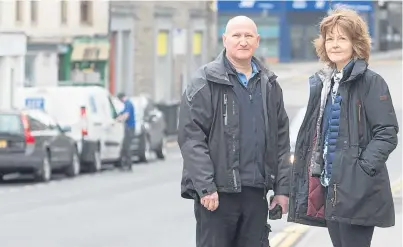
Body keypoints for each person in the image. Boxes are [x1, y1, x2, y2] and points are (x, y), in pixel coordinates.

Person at [287, 8, 399, 247]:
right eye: (330, 38)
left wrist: (361, 170)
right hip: (330, 187)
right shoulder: (326, 82)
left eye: (342, 38)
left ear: (355, 43)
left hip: (357, 189)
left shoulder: (371, 81)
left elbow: (387, 133)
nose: (334, 44)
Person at [177, 16, 291, 247]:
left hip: (256, 194)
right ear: (225, 40)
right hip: (217, 196)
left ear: (257, 41)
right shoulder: (204, 81)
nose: (243, 41)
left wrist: (282, 189)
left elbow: (281, 140)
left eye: (248, 36)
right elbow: (192, 138)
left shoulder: (269, 84)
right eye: (236, 36)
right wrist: (206, 187)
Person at [116, 92, 136, 171]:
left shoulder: (128, 104)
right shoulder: (127, 104)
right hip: (129, 128)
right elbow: (122, 113)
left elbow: (126, 115)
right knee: (124, 146)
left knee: (127, 146)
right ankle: (124, 164)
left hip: (130, 128)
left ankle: (128, 164)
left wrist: (119, 120)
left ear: (121, 98)